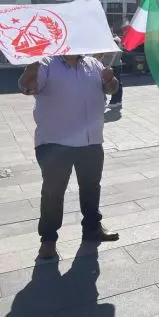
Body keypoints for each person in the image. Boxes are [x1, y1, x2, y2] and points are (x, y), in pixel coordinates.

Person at [18, 55, 121, 259]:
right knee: (53, 193)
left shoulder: (93, 64)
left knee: (91, 188)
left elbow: (111, 89)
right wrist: (32, 66)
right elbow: (26, 87)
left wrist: (110, 80)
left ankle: (92, 229)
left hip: (91, 140)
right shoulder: (45, 64)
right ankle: (48, 240)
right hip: (55, 142)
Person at [99, 32, 123, 109]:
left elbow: (112, 52)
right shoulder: (116, 40)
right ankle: (117, 100)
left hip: (114, 65)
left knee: (114, 83)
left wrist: (103, 53)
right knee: (117, 83)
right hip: (113, 64)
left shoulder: (115, 40)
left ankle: (115, 101)